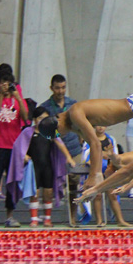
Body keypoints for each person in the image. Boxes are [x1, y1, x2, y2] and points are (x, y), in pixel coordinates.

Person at [6, 107, 75, 227]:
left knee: (48, 193)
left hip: (47, 167)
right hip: (34, 168)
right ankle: (34, 219)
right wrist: (25, 156)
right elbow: (18, 147)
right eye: (40, 118)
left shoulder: (50, 132)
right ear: (34, 119)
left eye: (45, 118)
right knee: (35, 193)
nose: (43, 120)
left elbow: (60, 144)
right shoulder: (28, 132)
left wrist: (68, 157)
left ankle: (47, 219)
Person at [0, 71, 29, 228]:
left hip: (13, 147)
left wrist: (17, 97)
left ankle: (10, 216)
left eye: (8, 82)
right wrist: (1, 97)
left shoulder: (18, 100)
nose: (6, 85)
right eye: (3, 82)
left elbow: (25, 118)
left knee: (12, 183)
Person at [39, 75, 83, 224]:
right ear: (52, 88)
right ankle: (48, 218)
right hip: (54, 151)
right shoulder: (45, 107)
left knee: (74, 184)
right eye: (57, 88)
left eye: (63, 87)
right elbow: (43, 130)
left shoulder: (73, 104)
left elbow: (81, 123)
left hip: (74, 148)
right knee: (51, 183)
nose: (60, 91)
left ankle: (73, 216)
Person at [81, 126, 131, 227]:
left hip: (109, 171)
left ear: (106, 126)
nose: (100, 127)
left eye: (103, 125)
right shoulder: (89, 139)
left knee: (113, 195)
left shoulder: (110, 139)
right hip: (95, 172)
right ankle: (99, 221)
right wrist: (100, 156)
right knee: (97, 196)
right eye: (98, 125)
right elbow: (85, 157)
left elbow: (116, 156)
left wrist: (109, 156)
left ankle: (120, 220)